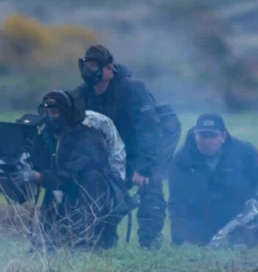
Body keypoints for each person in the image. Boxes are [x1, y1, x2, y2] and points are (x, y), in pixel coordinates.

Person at [69, 45, 180, 249]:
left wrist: (143, 167)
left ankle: (150, 244)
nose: (89, 72)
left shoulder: (131, 89)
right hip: (116, 149)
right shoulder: (83, 94)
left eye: (94, 66)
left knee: (149, 184)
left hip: (151, 144)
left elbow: (149, 129)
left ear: (109, 69)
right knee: (103, 187)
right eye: (86, 66)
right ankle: (104, 241)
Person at [0, 90, 130, 250]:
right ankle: (53, 240)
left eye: (54, 112)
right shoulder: (46, 139)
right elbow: (38, 167)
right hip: (63, 196)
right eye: (44, 112)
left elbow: (72, 177)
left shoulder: (87, 138)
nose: (48, 117)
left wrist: (37, 176)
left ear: (66, 114)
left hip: (95, 197)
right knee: (49, 246)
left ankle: (87, 240)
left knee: (90, 178)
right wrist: (14, 166)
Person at [168, 113, 258, 247]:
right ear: (196, 136)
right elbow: (177, 203)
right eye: (203, 135)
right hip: (201, 223)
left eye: (212, 136)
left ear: (223, 136)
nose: (207, 141)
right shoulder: (181, 160)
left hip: (240, 219)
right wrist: (180, 238)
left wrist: (256, 200)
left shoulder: (244, 151)